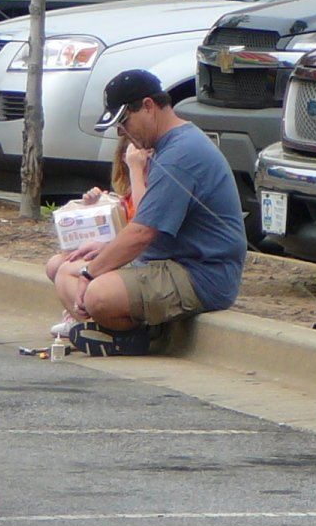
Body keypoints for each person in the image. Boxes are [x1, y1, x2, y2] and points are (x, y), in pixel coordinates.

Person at [54, 69, 246, 352]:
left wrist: (92, 273)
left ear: (147, 106)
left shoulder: (181, 154)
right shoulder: (170, 146)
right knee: (63, 271)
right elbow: (143, 226)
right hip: (167, 262)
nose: (122, 132)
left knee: (97, 293)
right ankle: (112, 325)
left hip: (200, 273)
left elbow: (142, 233)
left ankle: (137, 336)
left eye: (124, 121)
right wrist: (104, 252)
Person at [44, 138, 149, 338]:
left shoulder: (146, 189)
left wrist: (137, 170)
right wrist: (93, 209)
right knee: (55, 264)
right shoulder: (123, 197)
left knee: (66, 271)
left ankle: (87, 322)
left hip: (132, 257)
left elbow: (144, 221)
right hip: (114, 249)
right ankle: (75, 314)